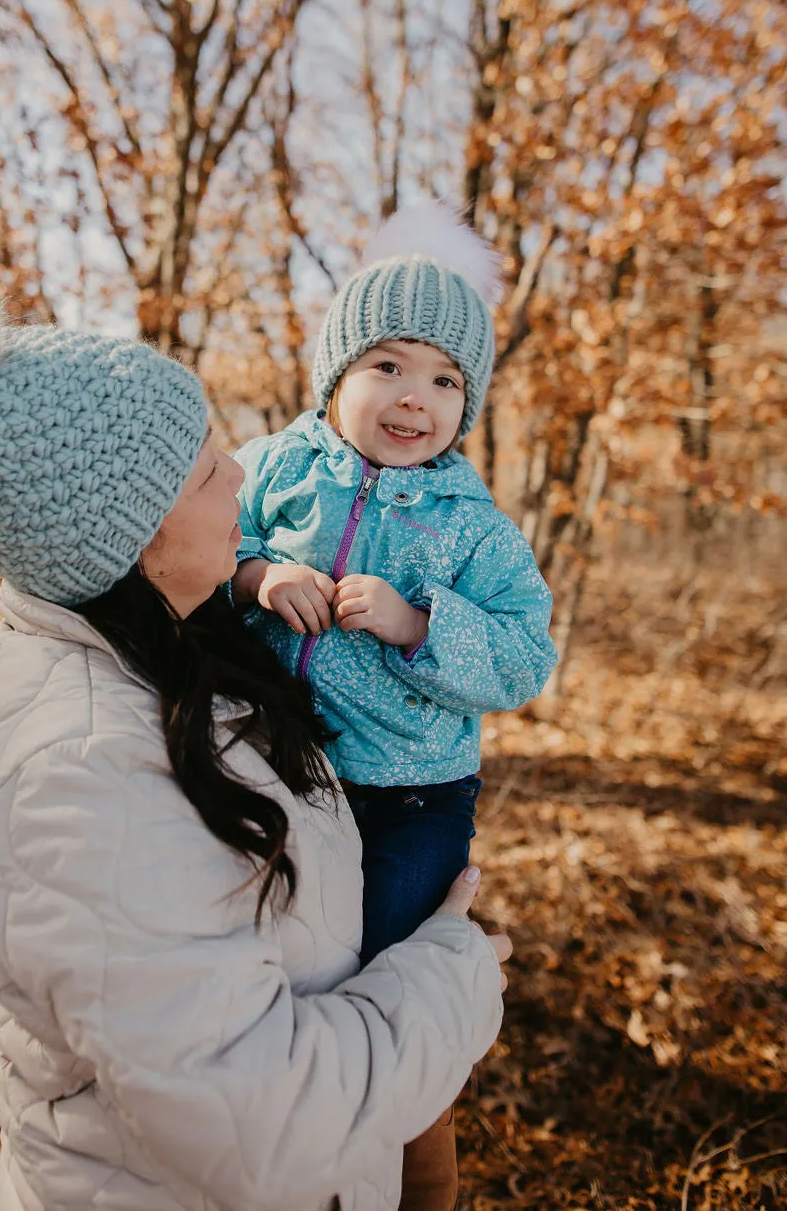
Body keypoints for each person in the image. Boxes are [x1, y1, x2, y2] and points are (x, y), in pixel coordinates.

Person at [0, 268, 511, 1211]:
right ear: (133, 541)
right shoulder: (83, 780)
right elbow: (258, 1121)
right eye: (202, 468)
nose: (241, 468)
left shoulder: (181, 646)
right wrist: (453, 971)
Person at [232, 204, 557, 1207]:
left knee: (381, 981)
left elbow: (525, 658)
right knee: (277, 973)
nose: (415, 397)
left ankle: (416, 1171)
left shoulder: (474, 527)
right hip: (276, 760)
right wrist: (259, 577)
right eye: (388, 365)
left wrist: (420, 626)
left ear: (470, 401)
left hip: (410, 793)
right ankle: (281, 1155)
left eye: (445, 378)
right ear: (336, 375)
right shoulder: (277, 467)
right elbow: (215, 545)